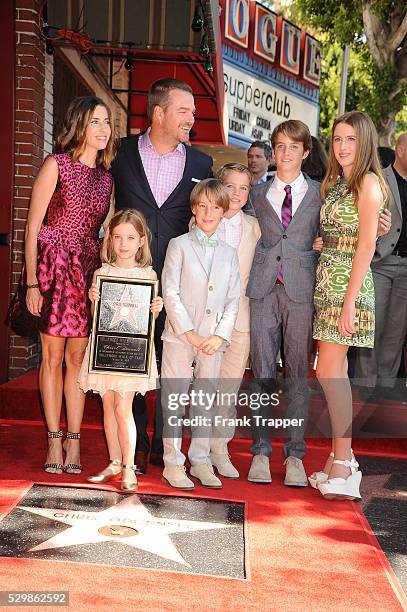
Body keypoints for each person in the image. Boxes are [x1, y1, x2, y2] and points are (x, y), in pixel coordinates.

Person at [110, 78, 213, 473]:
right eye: (184, 110)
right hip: (128, 278)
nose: (192, 117)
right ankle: (135, 439)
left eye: (192, 111)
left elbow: (216, 214)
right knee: (131, 357)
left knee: (173, 363)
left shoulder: (202, 164)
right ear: (158, 112)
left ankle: (165, 443)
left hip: (178, 283)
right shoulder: (120, 154)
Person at [24, 96, 116, 474]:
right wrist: (31, 282)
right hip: (52, 266)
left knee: (78, 360)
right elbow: (32, 226)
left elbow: (108, 233)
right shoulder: (56, 165)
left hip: (86, 270)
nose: (104, 129)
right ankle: (53, 439)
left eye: (108, 122)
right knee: (52, 358)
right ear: (80, 124)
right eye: (96, 121)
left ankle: (74, 443)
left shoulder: (108, 179)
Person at [312, 111, 386, 501]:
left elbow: (367, 245)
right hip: (328, 282)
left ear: (365, 142)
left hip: (348, 288)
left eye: (351, 140)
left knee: (330, 372)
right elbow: (341, 233)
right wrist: (323, 244)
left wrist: (349, 303)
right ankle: (341, 458)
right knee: (332, 372)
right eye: (337, 139)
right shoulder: (337, 183)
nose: (342, 146)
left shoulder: (369, 183)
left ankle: (344, 462)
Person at [246, 120, 321, 487]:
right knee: (261, 371)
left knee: (296, 374)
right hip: (263, 290)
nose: (285, 153)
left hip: (301, 291)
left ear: (306, 152)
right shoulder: (257, 195)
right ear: (273, 151)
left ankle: (295, 456)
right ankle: (260, 452)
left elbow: (333, 234)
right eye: (280, 146)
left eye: (294, 147)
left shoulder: (320, 194)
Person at [160, 179, 240, 490]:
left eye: (215, 207)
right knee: (175, 399)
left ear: (224, 212)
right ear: (194, 208)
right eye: (203, 206)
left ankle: (202, 460)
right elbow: (170, 291)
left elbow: (234, 298)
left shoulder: (229, 253)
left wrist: (219, 336)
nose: (208, 212)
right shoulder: (178, 245)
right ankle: (173, 463)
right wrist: (190, 333)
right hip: (181, 337)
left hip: (213, 341)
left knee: (205, 401)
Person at [78, 210, 163, 492]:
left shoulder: (147, 275)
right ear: (110, 240)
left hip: (132, 350)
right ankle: (114, 461)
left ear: (141, 241)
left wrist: (155, 308)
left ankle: (129, 466)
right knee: (107, 404)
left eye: (130, 238)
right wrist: (93, 300)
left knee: (123, 407)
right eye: (117, 237)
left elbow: (144, 323)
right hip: (106, 348)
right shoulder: (102, 273)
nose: (123, 244)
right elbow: (98, 318)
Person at [209, 163, 260, 478]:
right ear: (220, 186)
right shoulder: (202, 220)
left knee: (228, 387)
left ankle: (220, 449)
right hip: (208, 319)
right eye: (231, 186)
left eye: (244, 188)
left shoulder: (255, 227)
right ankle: (200, 451)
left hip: (241, 317)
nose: (237, 193)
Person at [355, 132, 407, 402]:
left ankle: (386, 386)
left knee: (397, 329)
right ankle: (365, 384)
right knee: (372, 324)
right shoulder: (378, 179)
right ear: (399, 150)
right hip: (381, 261)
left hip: (406, 267)